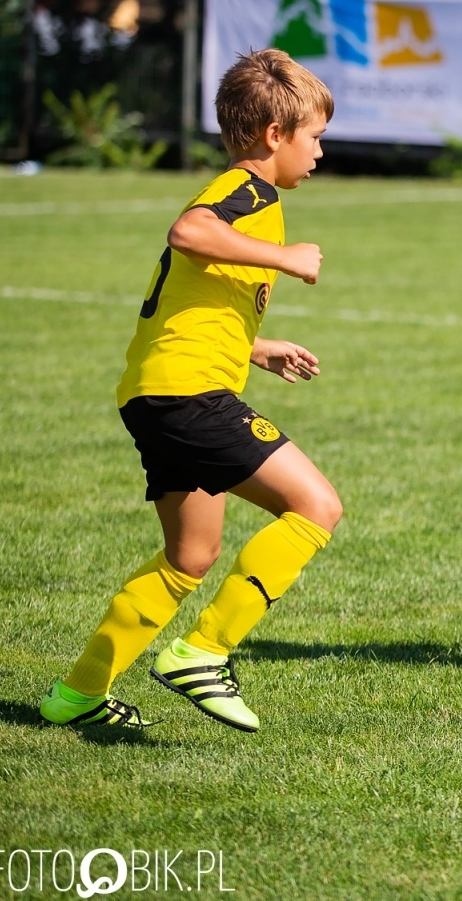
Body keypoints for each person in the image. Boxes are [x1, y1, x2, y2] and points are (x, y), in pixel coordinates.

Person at [38, 48, 342, 733]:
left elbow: (193, 291)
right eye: (314, 135)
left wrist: (255, 347)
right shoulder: (248, 192)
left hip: (156, 391)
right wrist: (286, 259)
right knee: (316, 505)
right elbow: (190, 233)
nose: (319, 150)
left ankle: (77, 693)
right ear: (274, 135)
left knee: (190, 554)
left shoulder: (253, 200)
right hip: (189, 395)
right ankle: (203, 652)